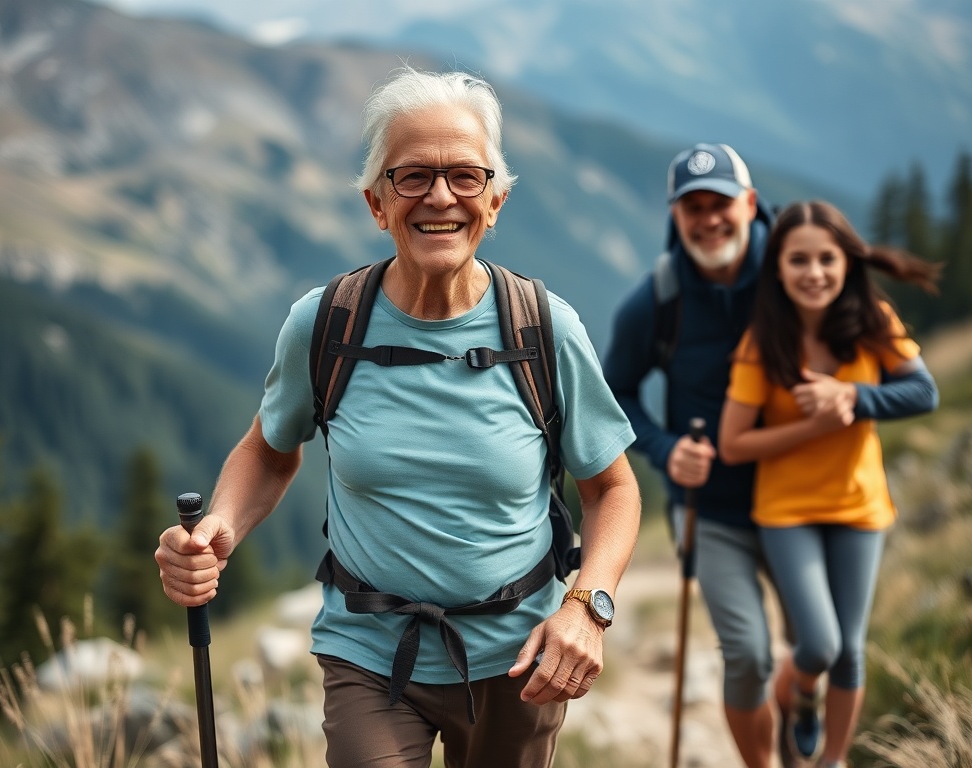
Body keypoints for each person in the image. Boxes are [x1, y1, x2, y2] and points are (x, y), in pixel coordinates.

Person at [155, 66, 641, 768]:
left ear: (495, 201)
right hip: (369, 655)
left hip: (519, 660)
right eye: (411, 176)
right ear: (376, 203)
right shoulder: (325, 325)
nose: (440, 196)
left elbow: (613, 490)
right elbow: (268, 451)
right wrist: (220, 530)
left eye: (465, 176)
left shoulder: (542, 328)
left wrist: (587, 607)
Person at [718, 200, 940, 768]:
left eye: (826, 258)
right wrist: (812, 425)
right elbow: (734, 444)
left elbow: (924, 393)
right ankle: (803, 686)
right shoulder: (762, 343)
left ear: (847, 263)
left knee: (851, 652)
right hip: (787, 510)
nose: (814, 272)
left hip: (860, 506)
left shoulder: (871, 322)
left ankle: (833, 761)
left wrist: (853, 397)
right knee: (820, 644)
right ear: (778, 269)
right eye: (798, 260)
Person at [602, 143, 793, 768]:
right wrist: (662, 447)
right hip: (708, 510)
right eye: (693, 209)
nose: (709, 220)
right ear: (675, 217)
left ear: (750, 204)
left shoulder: (796, 272)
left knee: (815, 646)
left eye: (721, 204)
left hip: (799, 497)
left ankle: (805, 736)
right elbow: (615, 396)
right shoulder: (657, 299)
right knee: (748, 656)